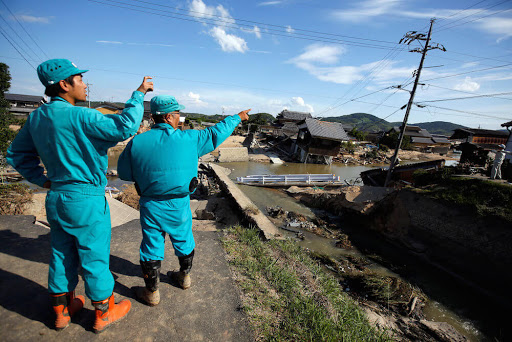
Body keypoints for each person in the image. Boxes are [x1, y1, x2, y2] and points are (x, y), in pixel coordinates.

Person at [6, 59, 153, 333]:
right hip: (86, 199)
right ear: (64, 84)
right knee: (94, 256)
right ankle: (103, 312)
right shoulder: (83, 116)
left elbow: (15, 155)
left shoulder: (36, 117)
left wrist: (43, 180)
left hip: (57, 197)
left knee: (60, 254)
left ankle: (62, 312)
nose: (84, 84)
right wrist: (139, 94)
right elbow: (125, 127)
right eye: (80, 79)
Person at [117, 95, 249, 306]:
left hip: (151, 204)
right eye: (178, 114)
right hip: (179, 203)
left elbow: (124, 172)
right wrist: (237, 118)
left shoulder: (137, 141)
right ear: (169, 116)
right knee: (184, 239)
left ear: (153, 117)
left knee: (151, 245)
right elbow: (217, 132)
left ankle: (152, 293)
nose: (180, 118)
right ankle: (184, 277)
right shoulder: (191, 139)